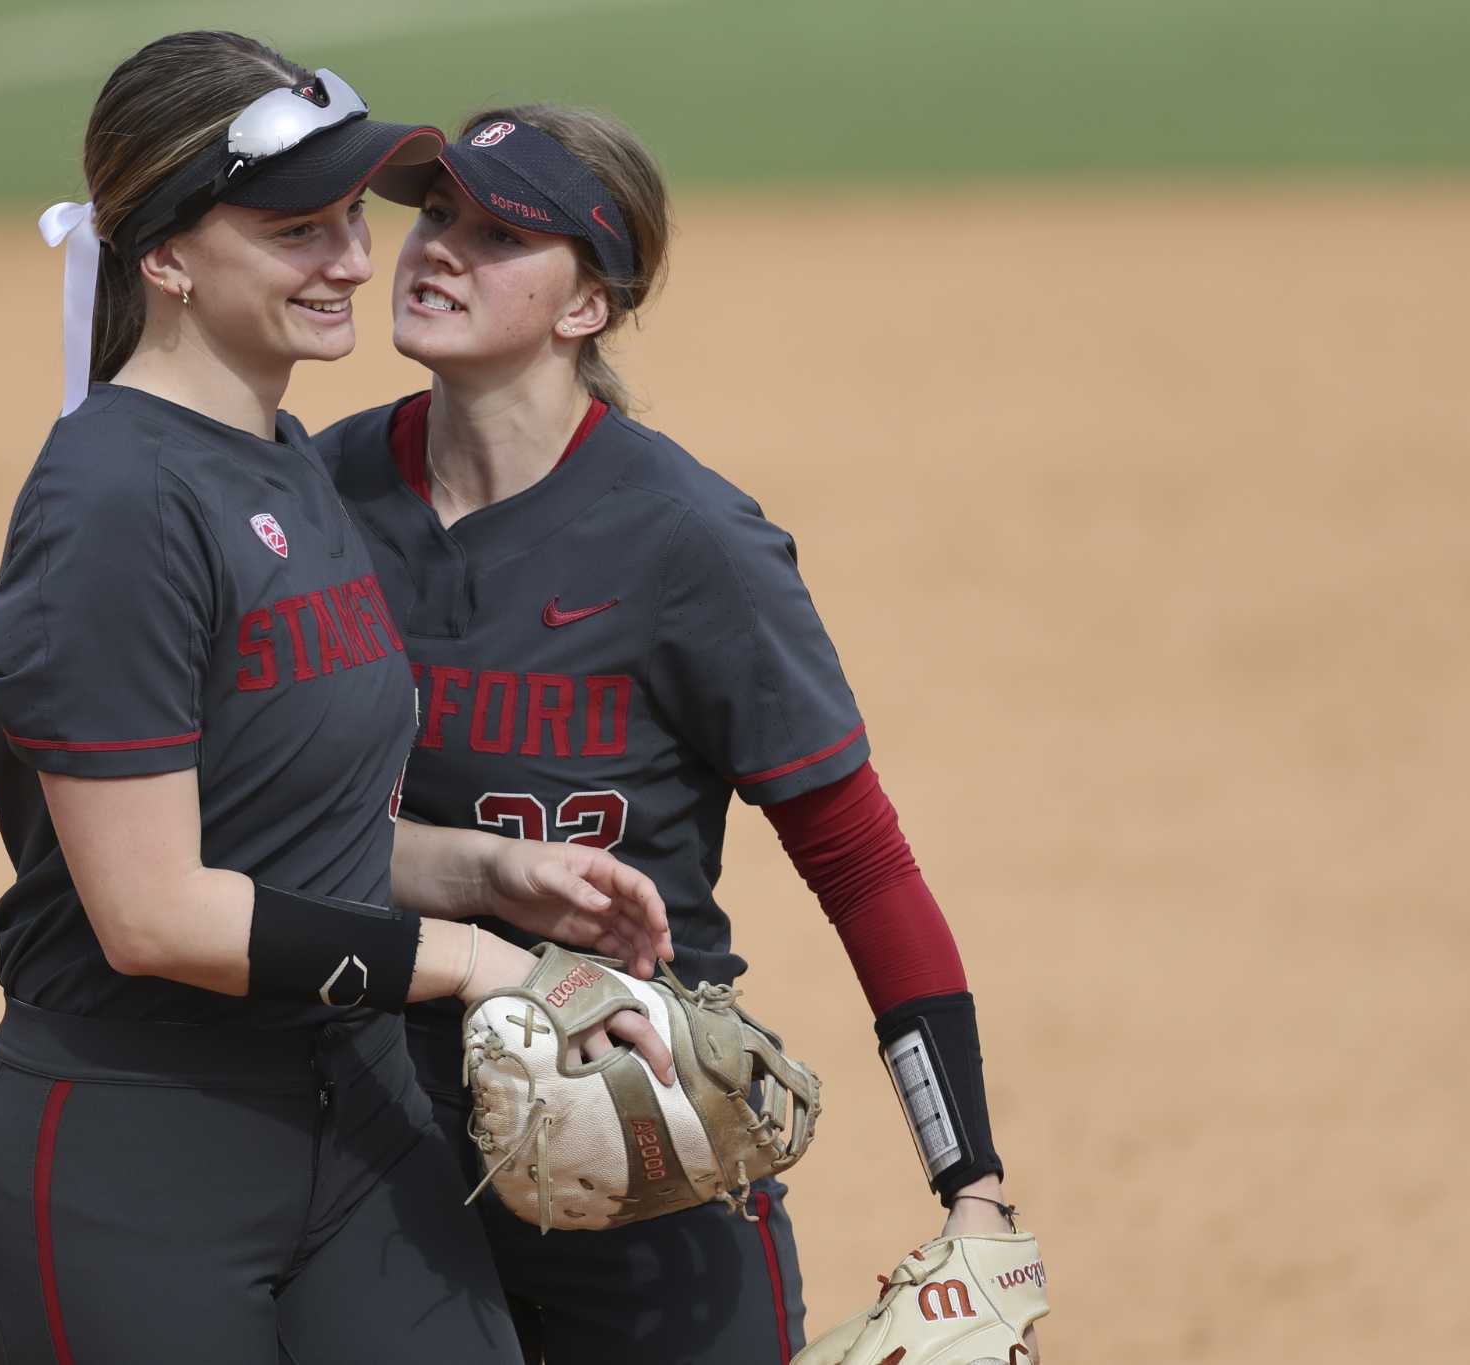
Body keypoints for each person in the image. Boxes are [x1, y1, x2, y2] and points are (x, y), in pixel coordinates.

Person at [0, 41, 674, 1365]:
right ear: (164, 258)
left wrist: (487, 872)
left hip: (353, 1129)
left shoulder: (284, 461)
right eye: (296, 228)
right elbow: (158, 911)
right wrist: (480, 967)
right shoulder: (115, 502)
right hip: (139, 1169)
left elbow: (283, 827)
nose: (352, 258)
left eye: (352, 216)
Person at [318, 105, 1040, 1364]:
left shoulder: (686, 541)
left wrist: (968, 1183)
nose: (437, 248)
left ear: (584, 305)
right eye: (434, 214)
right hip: (374, 1143)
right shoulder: (314, 501)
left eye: (498, 232)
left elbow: (860, 860)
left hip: (645, 1120)